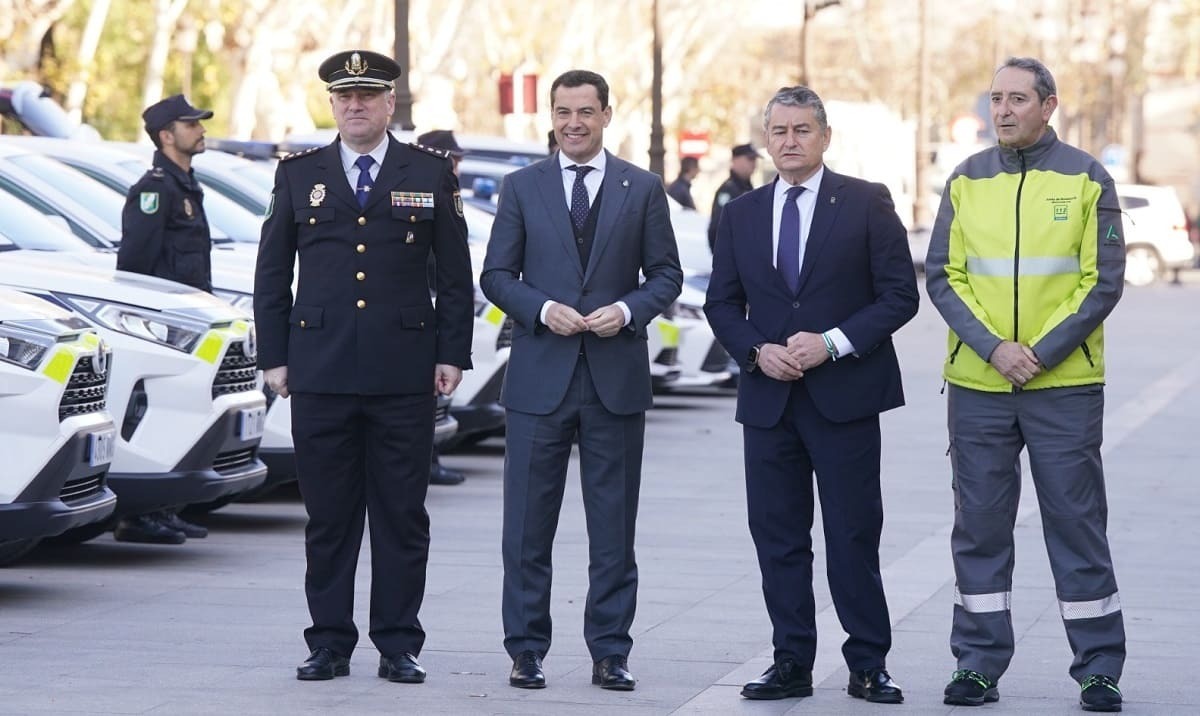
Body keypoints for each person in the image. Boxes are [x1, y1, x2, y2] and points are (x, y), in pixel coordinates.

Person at [253, 49, 474, 685]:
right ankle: (328, 642)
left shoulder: (428, 171)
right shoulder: (299, 174)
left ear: (389, 104)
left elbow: (454, 275)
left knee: (402, 516)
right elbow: (272, 273)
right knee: (329, 516)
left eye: (368, 96)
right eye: (345, 97)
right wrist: (275, 357)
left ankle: (398, 643)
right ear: (332, 104)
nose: (355, 106)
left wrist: (451, 352)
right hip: (319, 372)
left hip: (403, 372)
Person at [704, 85, 918, 705]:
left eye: (802, 130)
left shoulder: (866, 202)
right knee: (778, 539)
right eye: (779, 131)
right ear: (766, 139)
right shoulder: (742, 213)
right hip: (769, 402)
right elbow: (722, 303)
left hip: (844, 397)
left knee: (853, 535)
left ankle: (868, 664)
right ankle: (791, 661)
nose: (790, 141)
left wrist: (833, 343)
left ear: (825, 137)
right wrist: (756, 351)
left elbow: (899, 295)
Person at [925, 57, 1126, 713]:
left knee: (1077, 526)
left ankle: (1099, 669)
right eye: (995, 99)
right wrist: (994, 349)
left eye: (1017, 98)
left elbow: (1102, 281)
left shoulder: (1088, 178)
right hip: (978, 386)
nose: (1003, 110)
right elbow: (943, 277)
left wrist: (1038, 353)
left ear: (1049, 105)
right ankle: (977, 666)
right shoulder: (965, 180)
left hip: (1063, 386)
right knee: (979, 529)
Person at [480, 69, 682, 692]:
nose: (574, 123)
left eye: (586, 112)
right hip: (539, 380)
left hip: (613, 380)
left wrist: (626, 310)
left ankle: (610, 652)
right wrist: (542, 308)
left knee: (614, 529)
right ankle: (526, 649)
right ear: (552, 117)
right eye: (563, 112)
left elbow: (666, 275)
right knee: (525, 528)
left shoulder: (642, 187)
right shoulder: (522, 186)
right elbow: (496, 275)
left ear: (606, 115)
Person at [114, 94, 217, 545]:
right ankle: (138, 517)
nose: (201, 129)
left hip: (188, 325)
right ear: (166, 136)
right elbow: (135, 264)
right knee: (153, 415)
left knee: (178, 414)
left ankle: (165, 508)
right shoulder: (155, 190)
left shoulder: (185, 185)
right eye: (191, 124)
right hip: (161, 328)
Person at [415, 128, 470, 487]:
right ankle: (429, 460)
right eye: (454, 160)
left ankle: (430, 459)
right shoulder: (424, 184)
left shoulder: (445, 188)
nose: (457, 168)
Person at [707, 143, 758, 251]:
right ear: (735, 160)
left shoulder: (746, 188)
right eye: (750, 159)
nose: (754, 163)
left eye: (755, 159)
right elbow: (717, 229)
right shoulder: (728, 190)